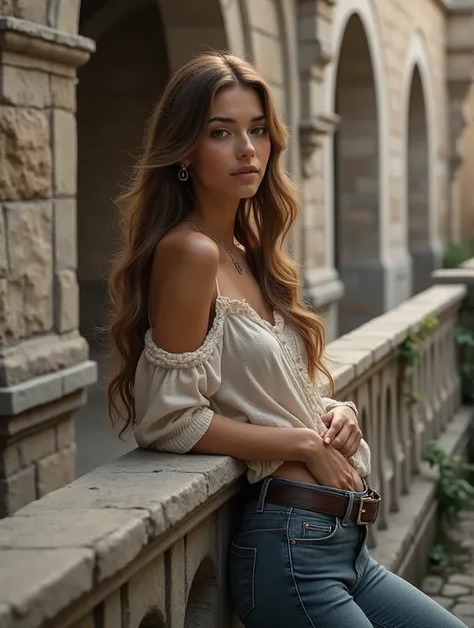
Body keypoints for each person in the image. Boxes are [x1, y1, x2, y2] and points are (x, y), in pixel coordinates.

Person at [107, 51, 467, 628]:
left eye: (257, 130)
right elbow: (167, 419)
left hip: (345, 546)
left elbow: (263, 386)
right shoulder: (189, 252)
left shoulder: (250, 254)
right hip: (290, 551)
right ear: (184, 152)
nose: (247, 149)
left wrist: (333, 412)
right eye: (220, 132)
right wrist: (301, 445)